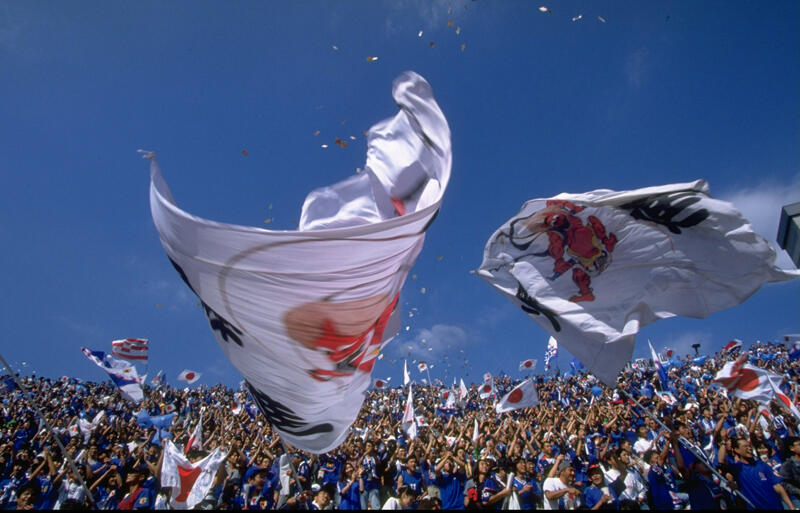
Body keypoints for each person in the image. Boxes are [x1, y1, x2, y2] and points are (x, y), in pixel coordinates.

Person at [719, 436, 795, 510]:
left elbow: (777, 486)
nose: (749, 448)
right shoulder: (737, 468)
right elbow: (721, 461)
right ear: (736, 450)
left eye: (749, 446)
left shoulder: (762, 465)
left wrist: (791, 507)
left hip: (775, 506)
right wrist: (723, 443)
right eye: (745, 446)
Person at [780, 436, 800, 508]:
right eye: (799, 444)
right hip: (796, 499)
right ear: (792, 448)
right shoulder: (787, 466)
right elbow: (784, 483)